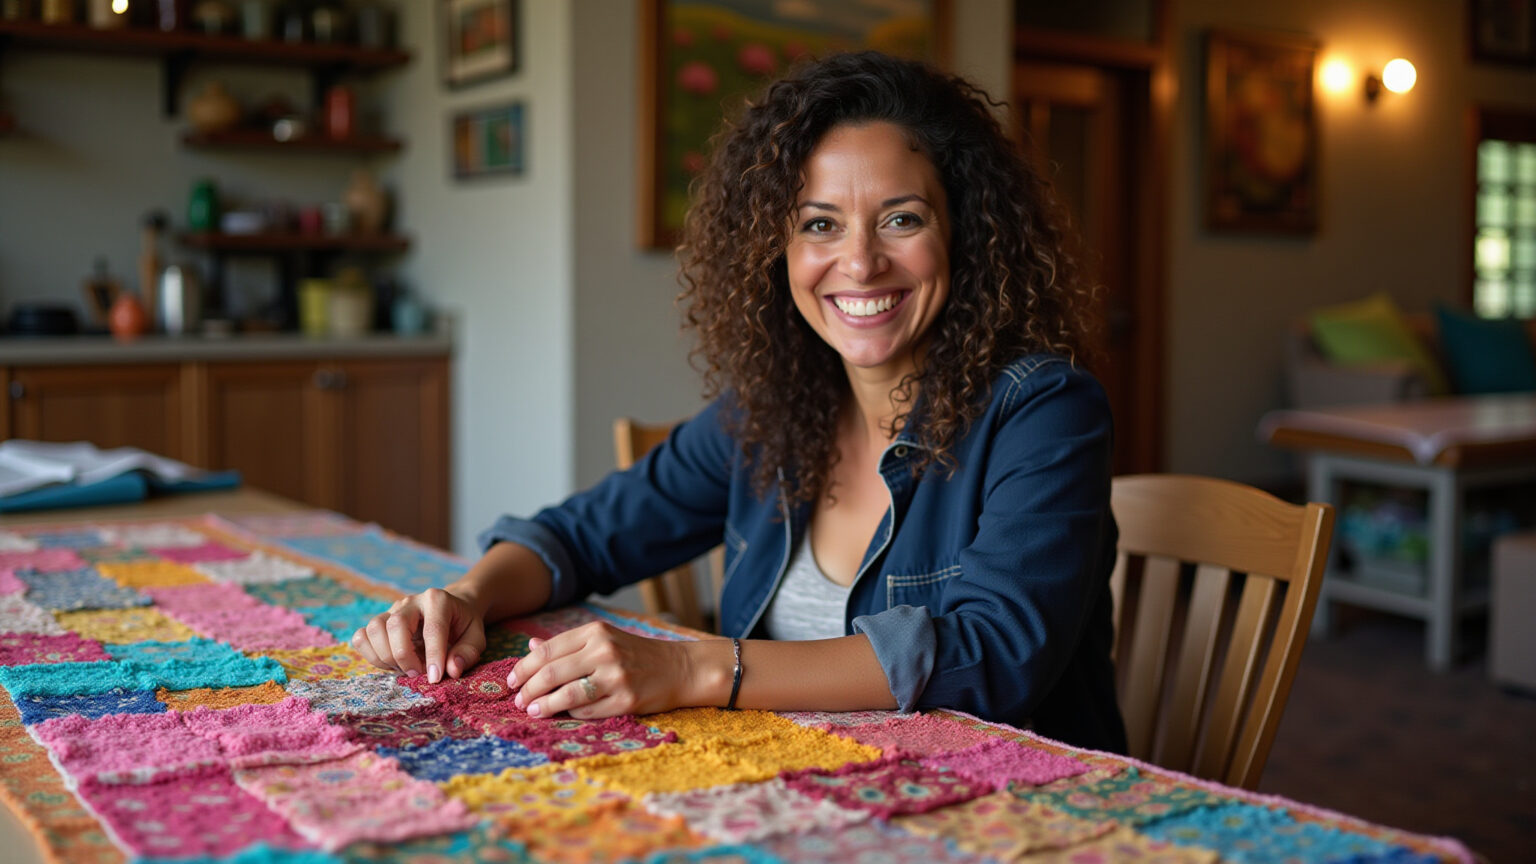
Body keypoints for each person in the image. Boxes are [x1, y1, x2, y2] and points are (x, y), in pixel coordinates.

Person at [353, 51, 1126, 753]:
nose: (859, 261)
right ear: (778, 253)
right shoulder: (771, 411)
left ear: (966, 234)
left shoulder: (1044, 409)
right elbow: (582, 537)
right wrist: (466, 596)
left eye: (901, 218)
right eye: (819, 224)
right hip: (797, 788)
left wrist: (692, 669)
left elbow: (993, 650)